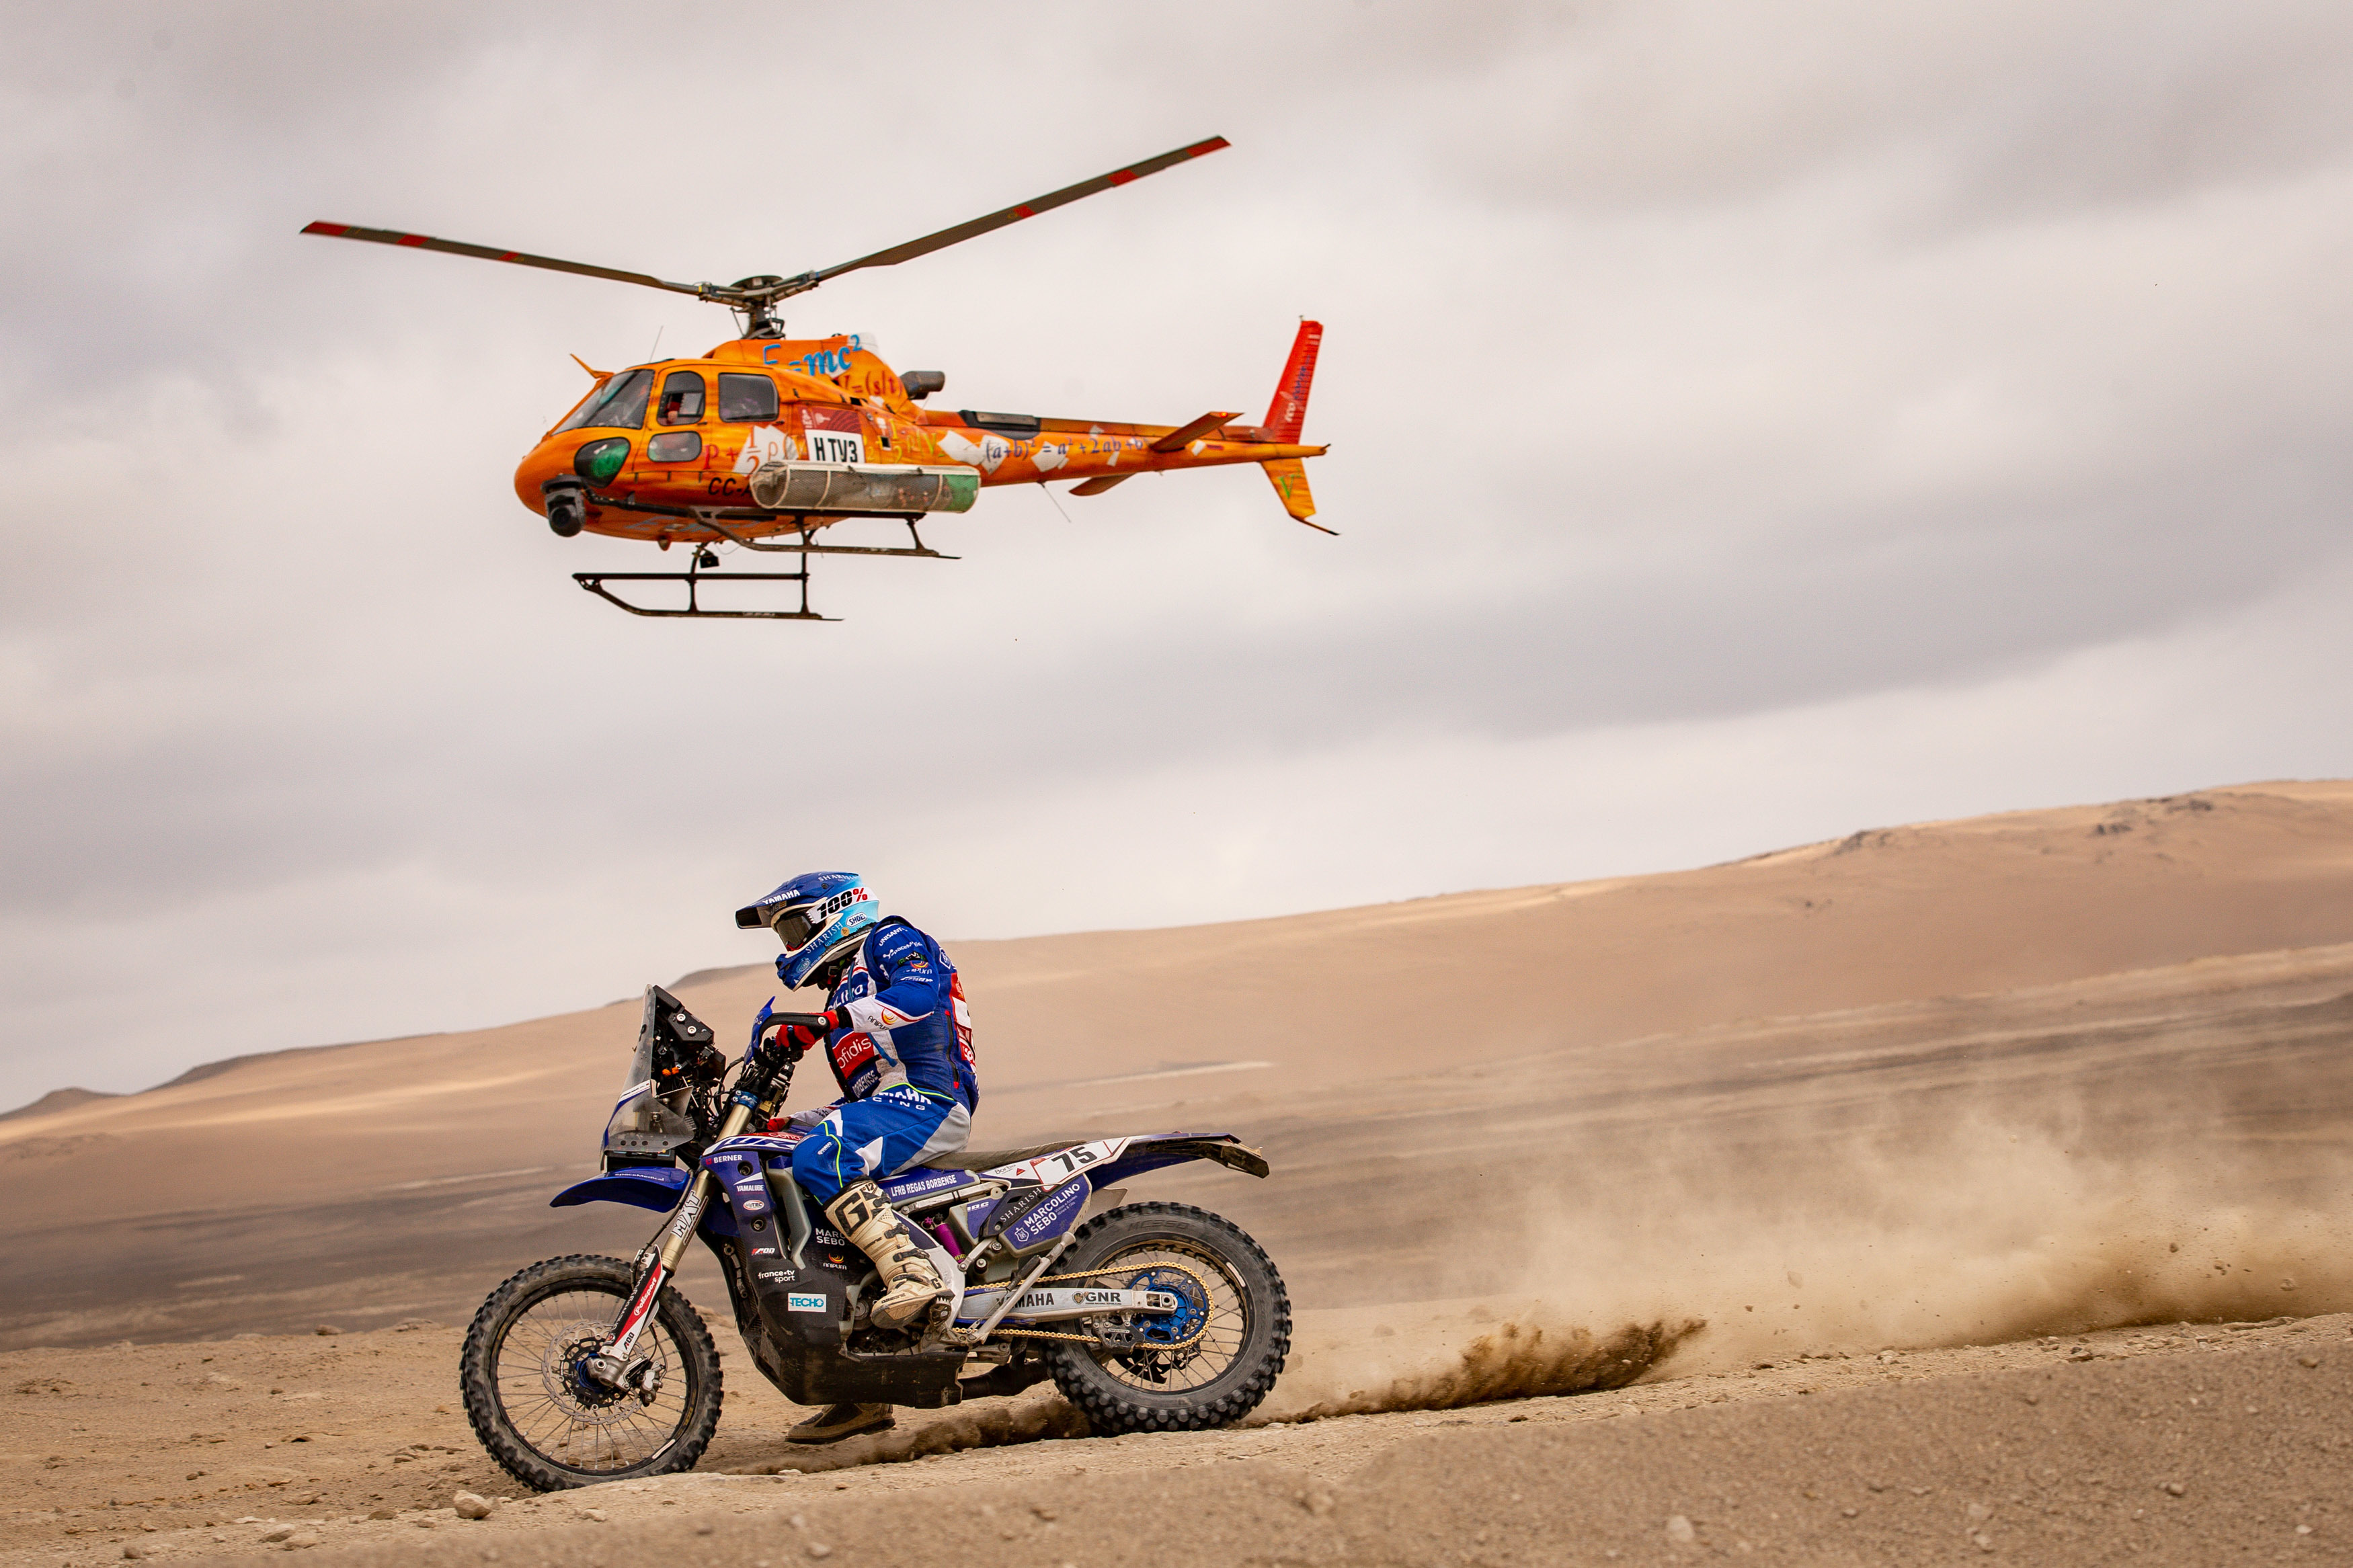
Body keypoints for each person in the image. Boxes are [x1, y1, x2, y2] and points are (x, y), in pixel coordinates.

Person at [733, 871, 979, 1445]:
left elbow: (917, 999)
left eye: (794, 928)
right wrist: (783, 1114)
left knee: (823, 1156)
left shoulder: (890, 938)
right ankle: (864, 1384)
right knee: (786, 1152)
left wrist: (831, 1021)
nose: (790, 945)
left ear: (835, 911)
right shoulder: (844, 987)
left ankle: (913, 1272)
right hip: (894, 1102)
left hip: (930, 1098)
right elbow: (862, 1096)